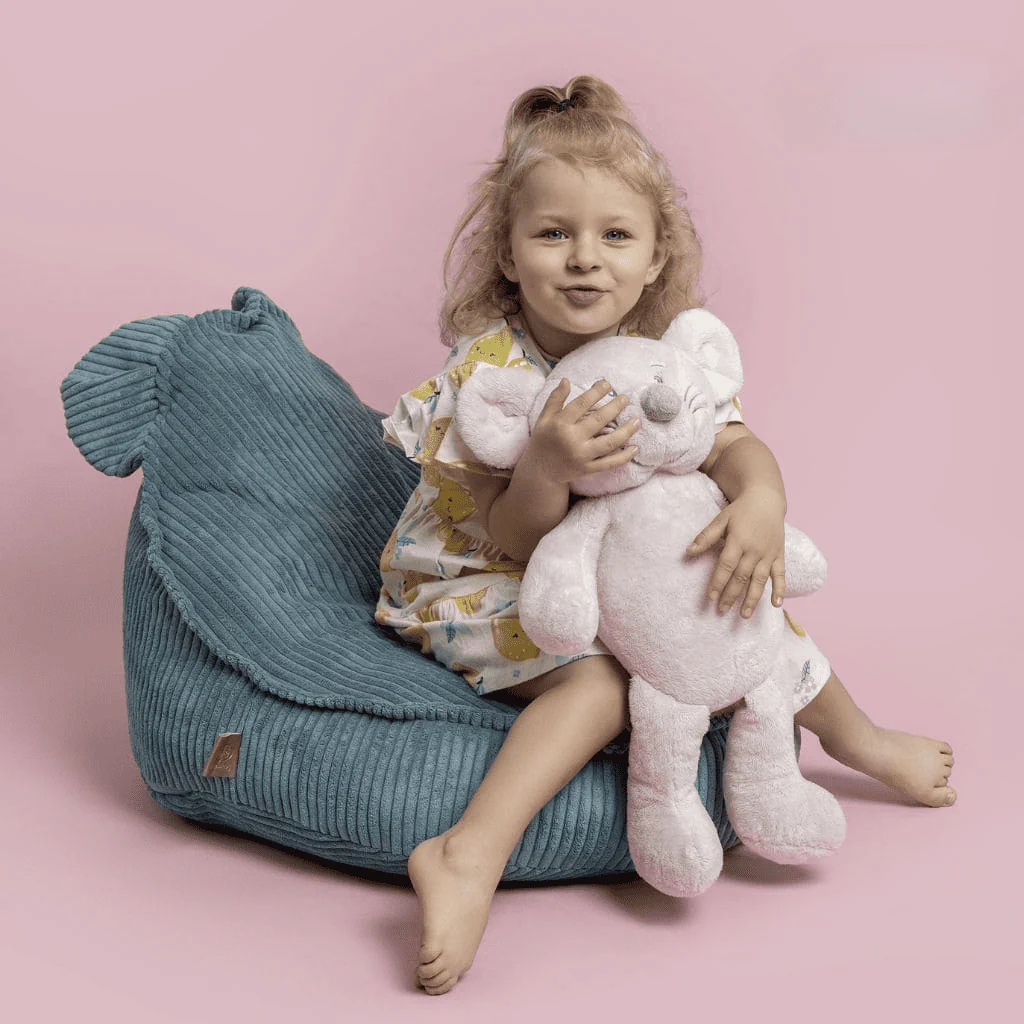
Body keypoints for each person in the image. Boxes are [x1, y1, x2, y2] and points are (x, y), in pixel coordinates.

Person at [375, 75, 956, 997]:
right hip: (478, 572)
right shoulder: (490, 372)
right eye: (552, 234)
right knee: (604, 681)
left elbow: (734, 447)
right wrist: (547, 466)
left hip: (622, 561)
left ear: (654, 260)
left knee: (737, 597)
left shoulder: (661, 360)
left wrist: (760, 503)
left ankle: (859, 739)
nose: (584, 259)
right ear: (508, 256)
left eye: (616, 236)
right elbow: (510, 536)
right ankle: (466, 852)